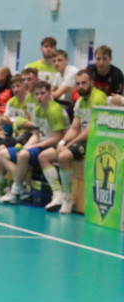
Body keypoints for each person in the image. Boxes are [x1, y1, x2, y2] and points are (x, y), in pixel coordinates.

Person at [39, 69, 106, 214]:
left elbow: (90, 130)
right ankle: (57, 194)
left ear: (92, 83)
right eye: (78, 84)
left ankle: (68, 198)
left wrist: (68, 146)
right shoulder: (80, 102)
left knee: (63, 156)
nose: (80, 86)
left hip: (95, 141)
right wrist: (62, 143)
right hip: (80, 140)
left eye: (84, 83)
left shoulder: (98, 98)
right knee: (43, 156)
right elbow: (75, 127)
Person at [0, 80, 67, 205]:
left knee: (24, 155)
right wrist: (27, 147)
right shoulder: (39, 110)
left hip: (55, 145)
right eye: (37, 94)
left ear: (50, 93)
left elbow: (57, 137)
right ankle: (23, 185)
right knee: (3, 154)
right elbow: (36, 134)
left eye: (43, 93)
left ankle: (15, 191)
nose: (39, 97)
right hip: (40, 144)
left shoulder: (54, 110)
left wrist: (32, 147)